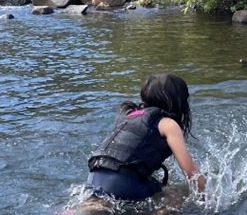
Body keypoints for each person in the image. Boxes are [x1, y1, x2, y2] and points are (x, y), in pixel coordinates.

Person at [87, 73, 205, 201]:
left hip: (95, 175)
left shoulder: (131, 115)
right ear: (177, 101)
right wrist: (208, 197)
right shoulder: (168, 124)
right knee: (173, 195)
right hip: (124, 181)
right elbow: (190, 172)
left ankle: (76, 211)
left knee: (99, 202)